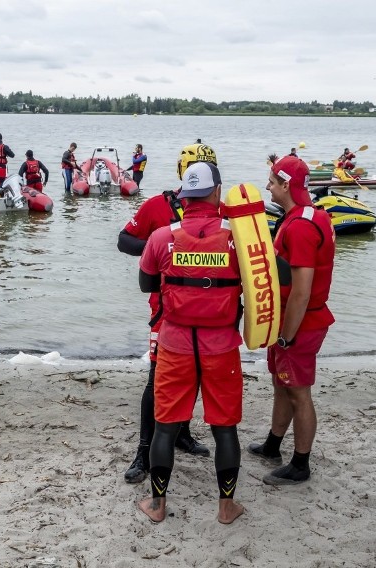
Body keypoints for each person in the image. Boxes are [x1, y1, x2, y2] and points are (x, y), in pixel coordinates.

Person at [137, 161, 245, 524]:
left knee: (165, 427)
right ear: (217, 193)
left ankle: (157, 505)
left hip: (175, 346)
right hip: (221, 347)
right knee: (224, 427)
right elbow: (270, 279)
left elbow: (147, 285)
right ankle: (226, 506)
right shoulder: (239, 238)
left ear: (184, 195)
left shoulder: (161, 236)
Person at [117, 143, 218, 485]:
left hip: (209, 316)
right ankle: (144, 451)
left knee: (195, 379)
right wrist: (160, 250)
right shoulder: (157, 207)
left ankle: (182, 434)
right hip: (166, 314)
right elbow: (123, 240)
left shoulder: (226, 213)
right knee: (156, 382)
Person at [249, 155, 335, 486]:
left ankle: (300, 464)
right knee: (281, 383)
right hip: (292, 320)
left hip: (301, 322)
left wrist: (286, 336)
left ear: (286, 185)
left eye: (272, 181)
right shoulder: (311, 215)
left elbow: (301, 292)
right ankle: (273, 444)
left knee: (298, 392)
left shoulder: (299, 227)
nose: (267, 186)